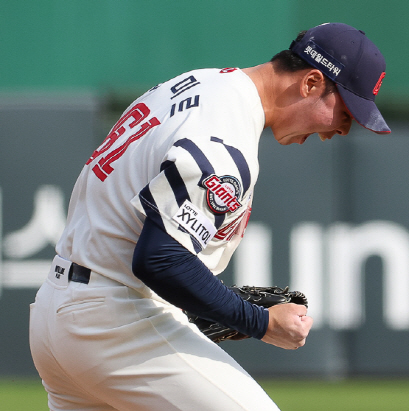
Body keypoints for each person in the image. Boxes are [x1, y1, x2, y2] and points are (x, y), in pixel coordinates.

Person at [29, 22, 389, 411]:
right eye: (347, 111)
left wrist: (203, 305)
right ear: (311, 83)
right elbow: (160, 260)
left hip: (60, 311)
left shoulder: (201, 84)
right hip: (112, 322)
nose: (341, 129)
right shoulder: (225, 135)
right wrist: (258, 322)